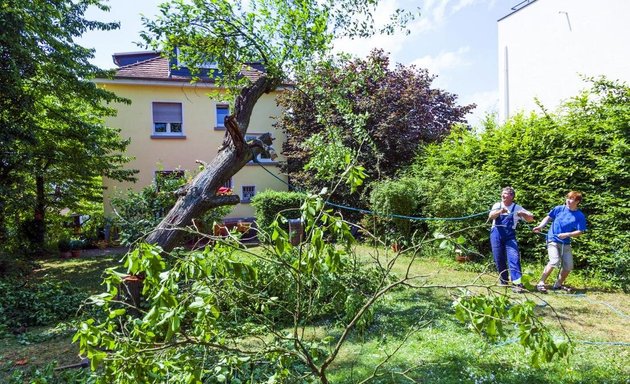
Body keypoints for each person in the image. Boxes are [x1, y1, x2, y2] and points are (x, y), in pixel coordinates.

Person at [533, 191, 587, 293]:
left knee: (568, 266)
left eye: (572, 199)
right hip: (552, 239)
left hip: (565, 242)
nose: (568, 200)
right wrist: (540, 226)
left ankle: (558, 284)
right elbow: (548, 217)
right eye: (568, 198)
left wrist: (567, 234)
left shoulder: (580, 215)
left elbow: (580, 231)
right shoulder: (559, 209)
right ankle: (540, 283)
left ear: (577, 202)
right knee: (554, 261)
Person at [488, 187, 534, 292]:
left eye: (505, 194)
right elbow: (491, 216)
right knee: (499, 259)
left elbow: (531, 218)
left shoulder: (517, 207)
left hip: (510, 237)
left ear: (512, 196)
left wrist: (524, 214)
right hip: (496, 234)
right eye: (502, 194)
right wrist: (500, 211)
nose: (503, 196)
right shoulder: (497, 205)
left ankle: (517, 284)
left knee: (514, 258)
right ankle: (504, 282)